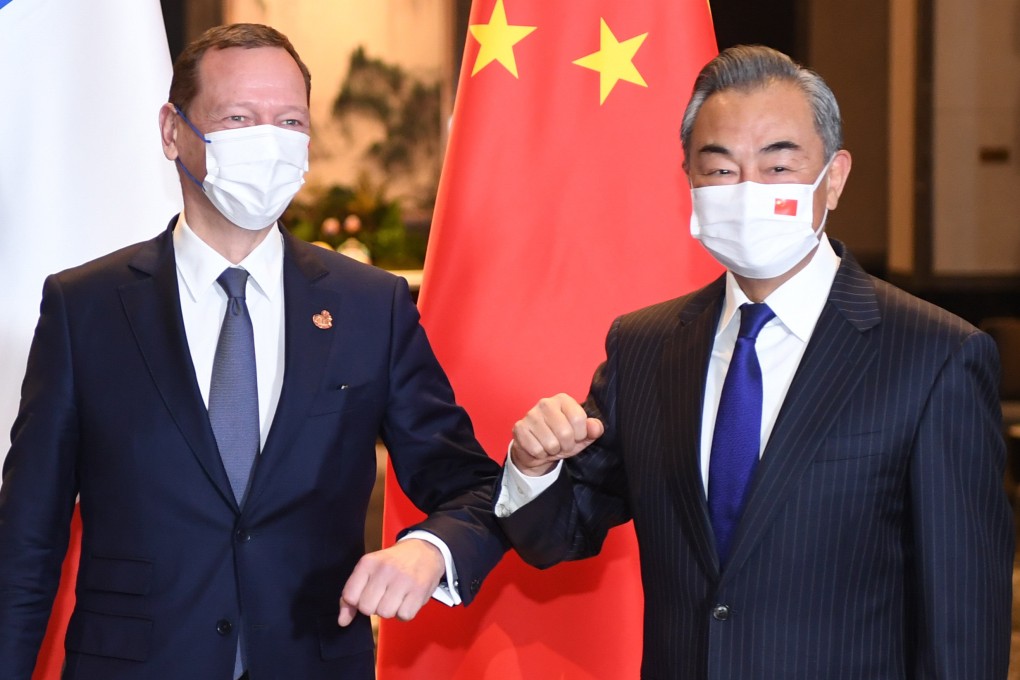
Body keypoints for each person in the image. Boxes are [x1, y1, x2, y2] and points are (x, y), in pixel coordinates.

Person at [0, 23, 506, 679]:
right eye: (239, 118)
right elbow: (27, 541)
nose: (269, 141)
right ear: (172, 131)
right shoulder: (85, 308)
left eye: (289, 120)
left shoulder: (369, 306)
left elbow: (470, 486)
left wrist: (431, 549)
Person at [498, 44, 1014, 679]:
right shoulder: (645, 346)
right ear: (688, 178)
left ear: (836, 176)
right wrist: (532, 465)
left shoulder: (936, 357)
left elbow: (962, 623)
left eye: (778, 167)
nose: (747, 192)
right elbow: (559, 535)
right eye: (719, 170)